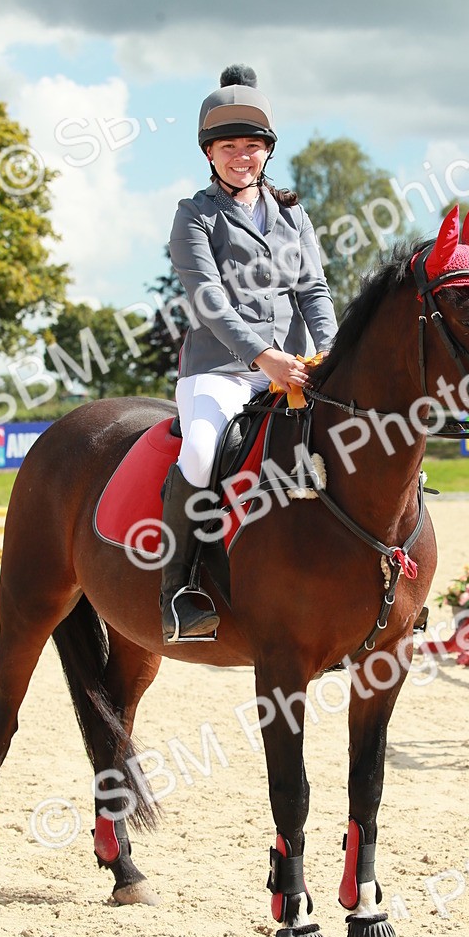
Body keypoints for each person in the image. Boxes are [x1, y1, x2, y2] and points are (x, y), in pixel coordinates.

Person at [163, 64, 338, 644]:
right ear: (209, 153)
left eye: (253, 145)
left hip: (293, 369)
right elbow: (209, 300)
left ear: (267, 151)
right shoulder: (195, 216)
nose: (242, 155)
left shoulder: (292, 214)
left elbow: (313, 289)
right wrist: (265, 357)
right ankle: (180, 590)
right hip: (220, 371)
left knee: (350, 439)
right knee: (200, 450)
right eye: (229, 146)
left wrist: (330, 350)